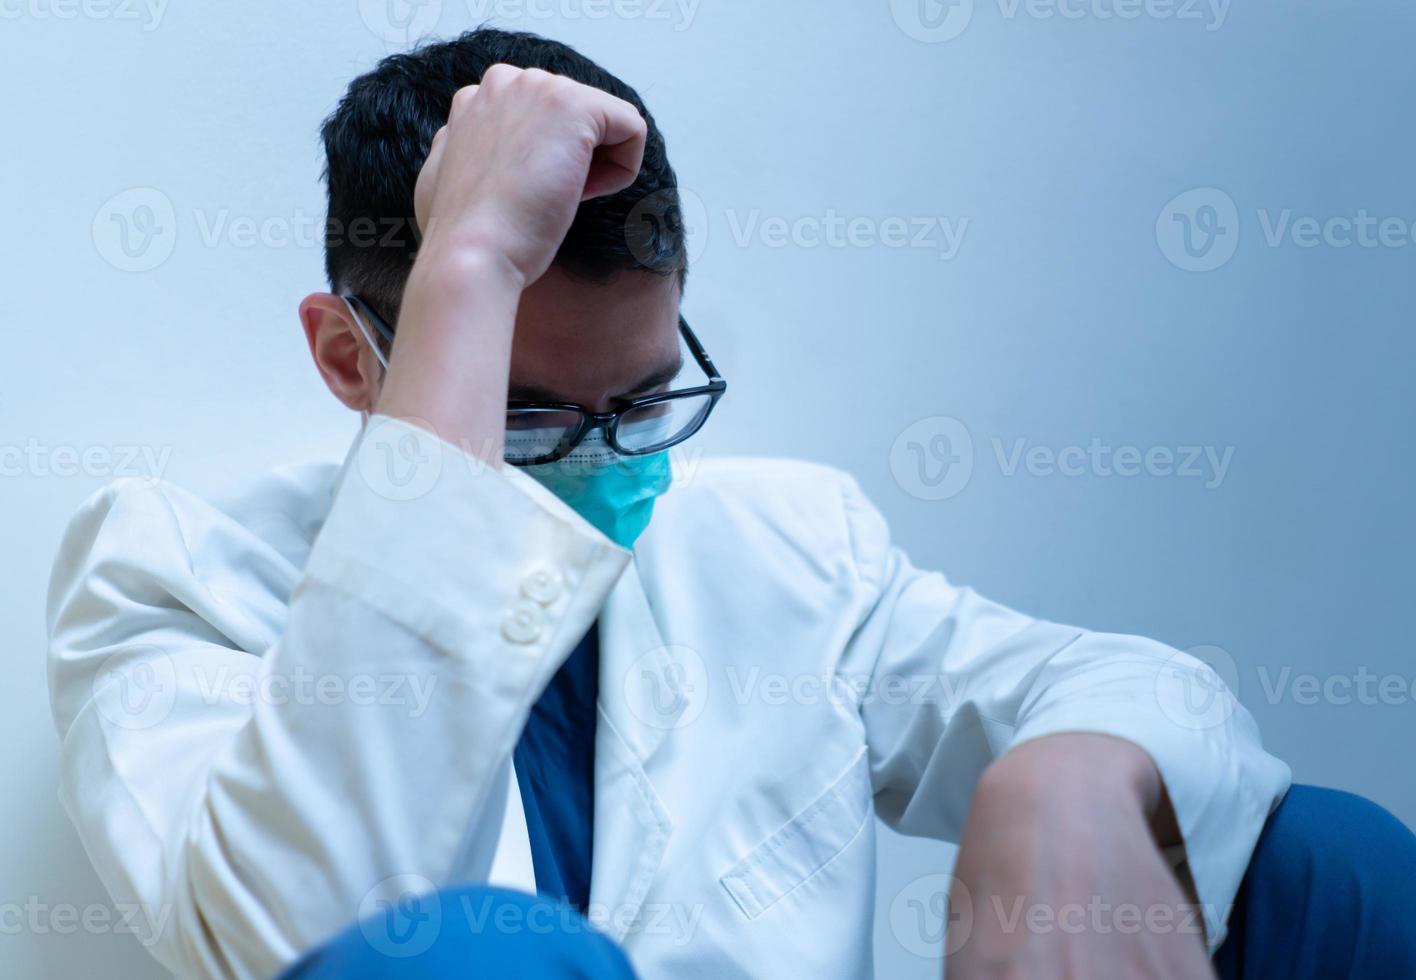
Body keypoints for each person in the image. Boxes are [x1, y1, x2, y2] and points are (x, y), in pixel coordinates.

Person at [46, 27, 1415, 980]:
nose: (607, 458)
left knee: (1321, 864)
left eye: (642, 403)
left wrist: (1071, 776)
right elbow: (317, 927)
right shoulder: (172, 577)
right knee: (482, 955)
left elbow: (1133, 692)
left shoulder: (781, 544)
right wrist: (468, 260)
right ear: (353, 361)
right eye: (522, 411)